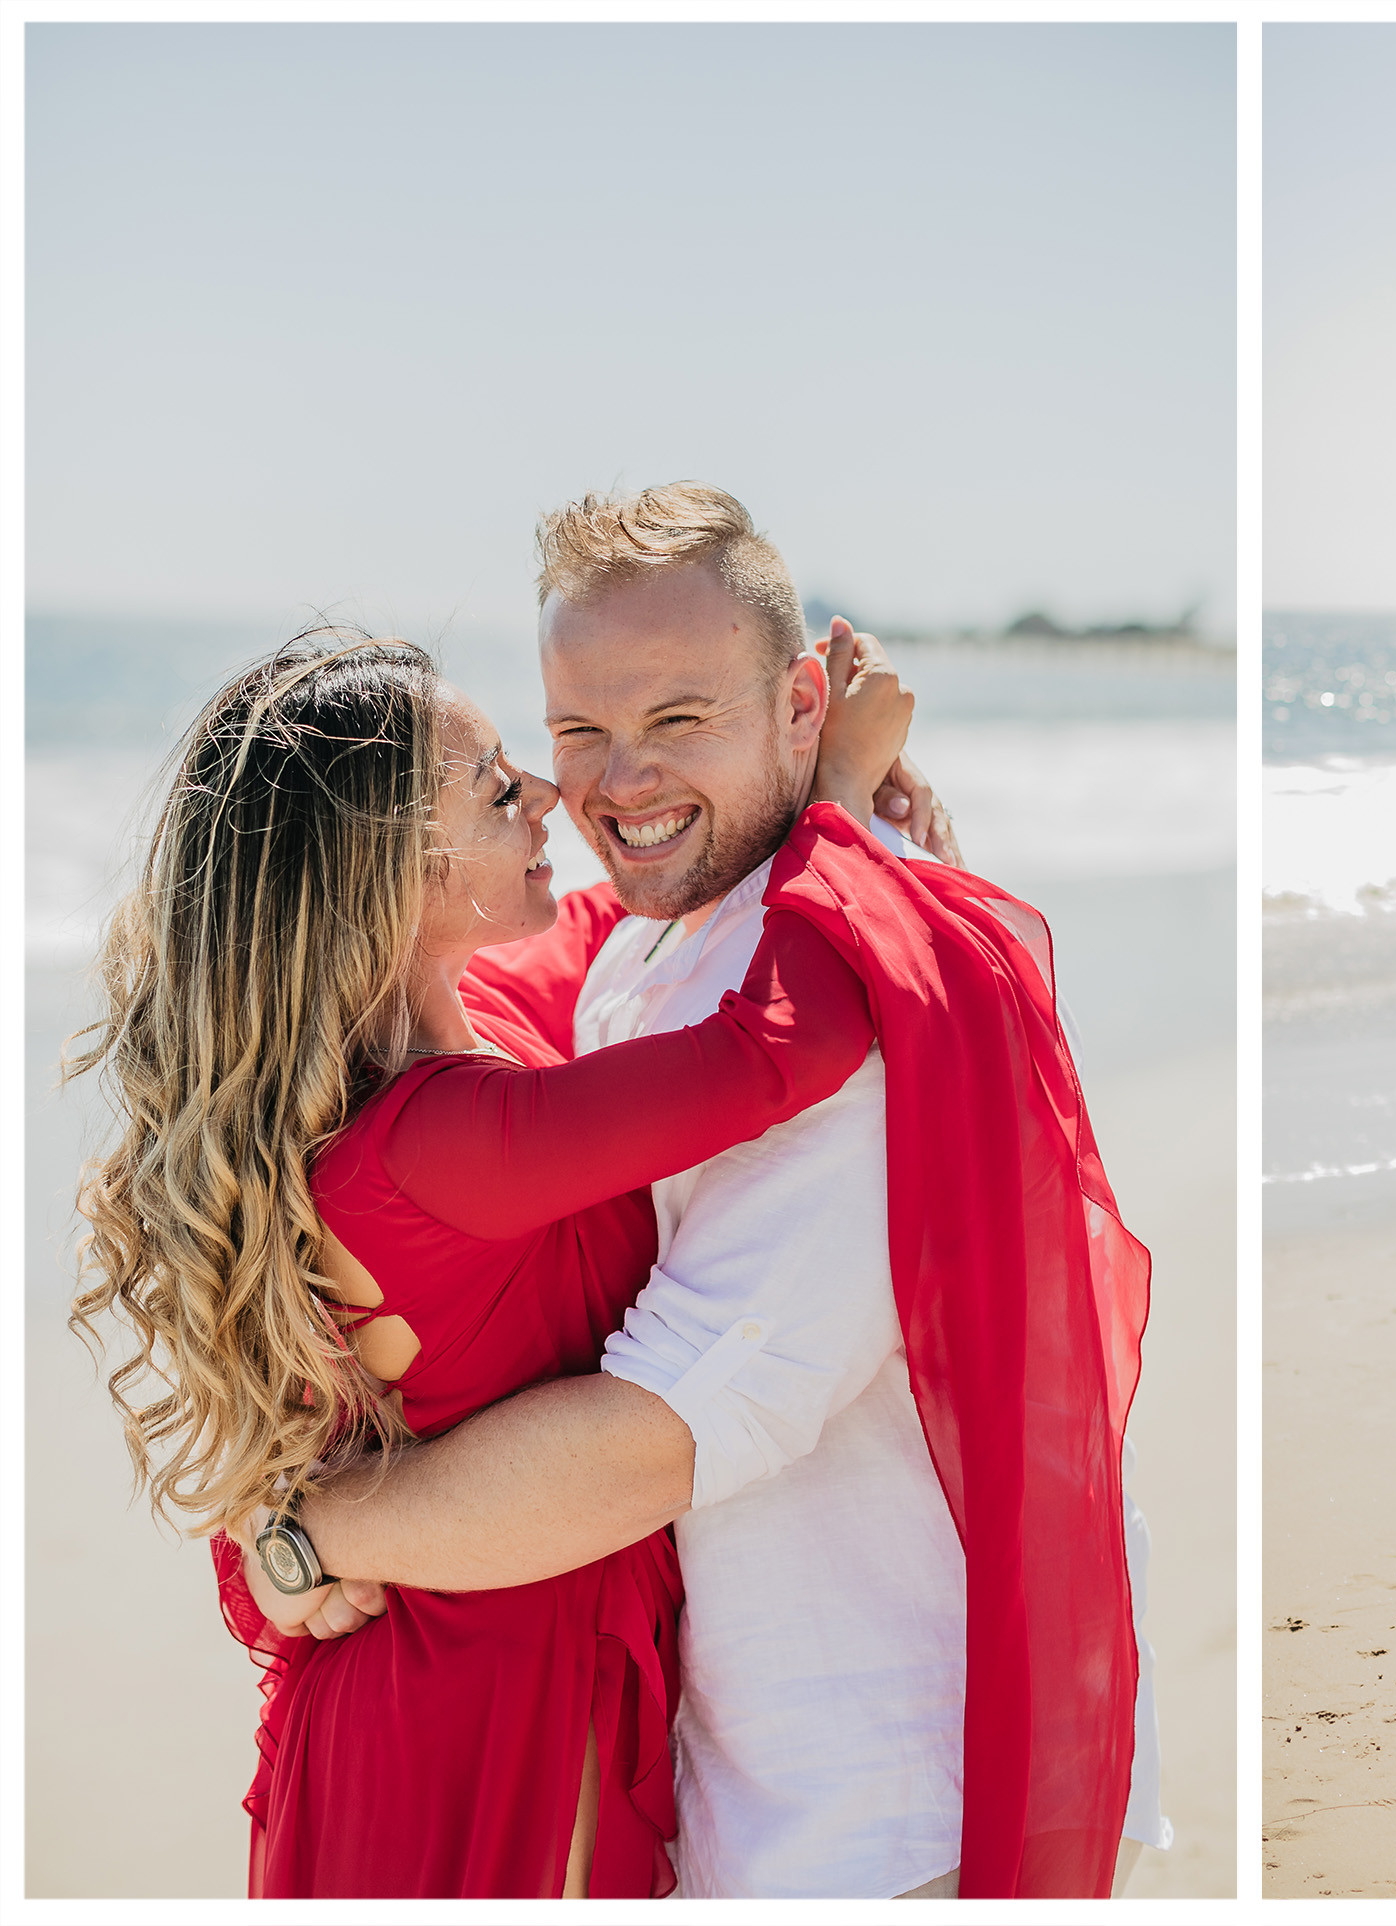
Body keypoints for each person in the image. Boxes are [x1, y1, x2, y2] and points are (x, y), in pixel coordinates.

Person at [232, 484, 1166, 1900]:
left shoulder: (854, 980)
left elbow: (664, 1430)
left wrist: (316, 1529)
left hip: (865, 1797)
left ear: (804, 703)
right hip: (712, 1779)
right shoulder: (653, 945)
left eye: (679, 719)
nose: (610, 787)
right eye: (575, 733)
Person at [69, 623, 915, 1896]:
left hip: (469, 1664)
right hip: (466, 1718)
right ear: (390, 875)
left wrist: (761, 774)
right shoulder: (443, 1138)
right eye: (495, 787)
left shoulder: (482, 1041)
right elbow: (779, 1050)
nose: (548, 799)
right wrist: (842, 801)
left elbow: (624, 911)